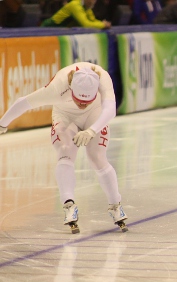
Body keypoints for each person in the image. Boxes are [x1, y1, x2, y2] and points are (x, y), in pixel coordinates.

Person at [0, 63, 128, 234]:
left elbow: (110, 110)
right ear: (70, 89)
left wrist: (91, 130)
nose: (82, 105)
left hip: (95, 114)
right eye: (79, 100)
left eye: (86, 101)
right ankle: (69, 204)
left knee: (97, 157)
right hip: (65, 115)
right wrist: (2, 123)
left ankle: (115, 205)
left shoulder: (103, 78)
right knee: (65, 151)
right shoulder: (57, 87)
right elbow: (23, 103)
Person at [40, 0, 111, 29]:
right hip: (48, 29)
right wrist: (103, 25)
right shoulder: (75, 5)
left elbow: (93, 20)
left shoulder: (87, 7)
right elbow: (86, 24)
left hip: (62, 30)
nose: (94, 1)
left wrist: (103, 23)